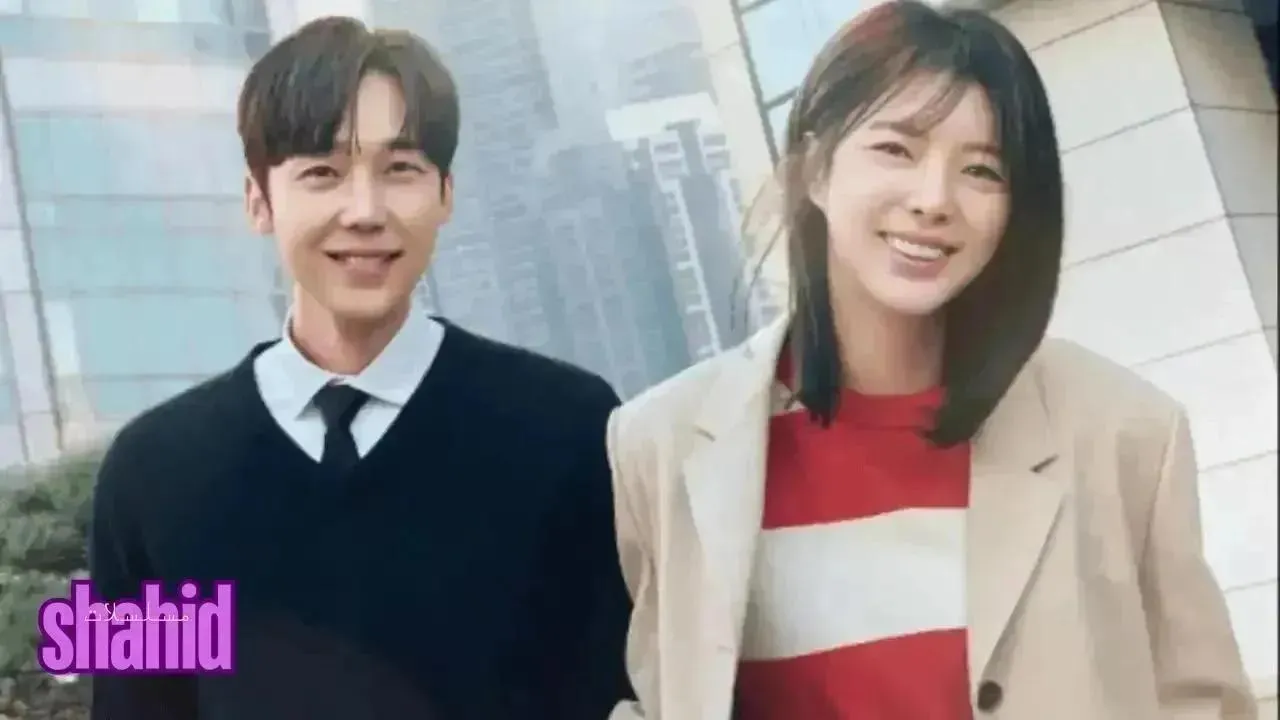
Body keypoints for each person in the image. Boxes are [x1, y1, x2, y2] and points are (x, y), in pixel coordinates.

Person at [603, 2, 1257, 719]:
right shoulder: (662, 446)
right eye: (897, 150)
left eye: (981, 170)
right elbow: (659, 696)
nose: (934, 200)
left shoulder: (1125, 431)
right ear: (815, 170)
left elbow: (1203, 703)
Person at [88, 16, 632, 720]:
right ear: (258, 200)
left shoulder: (571, 429)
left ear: (446, 193)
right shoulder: (147, 477)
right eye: (322, 173)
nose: (365, 211)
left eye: (400, 170)